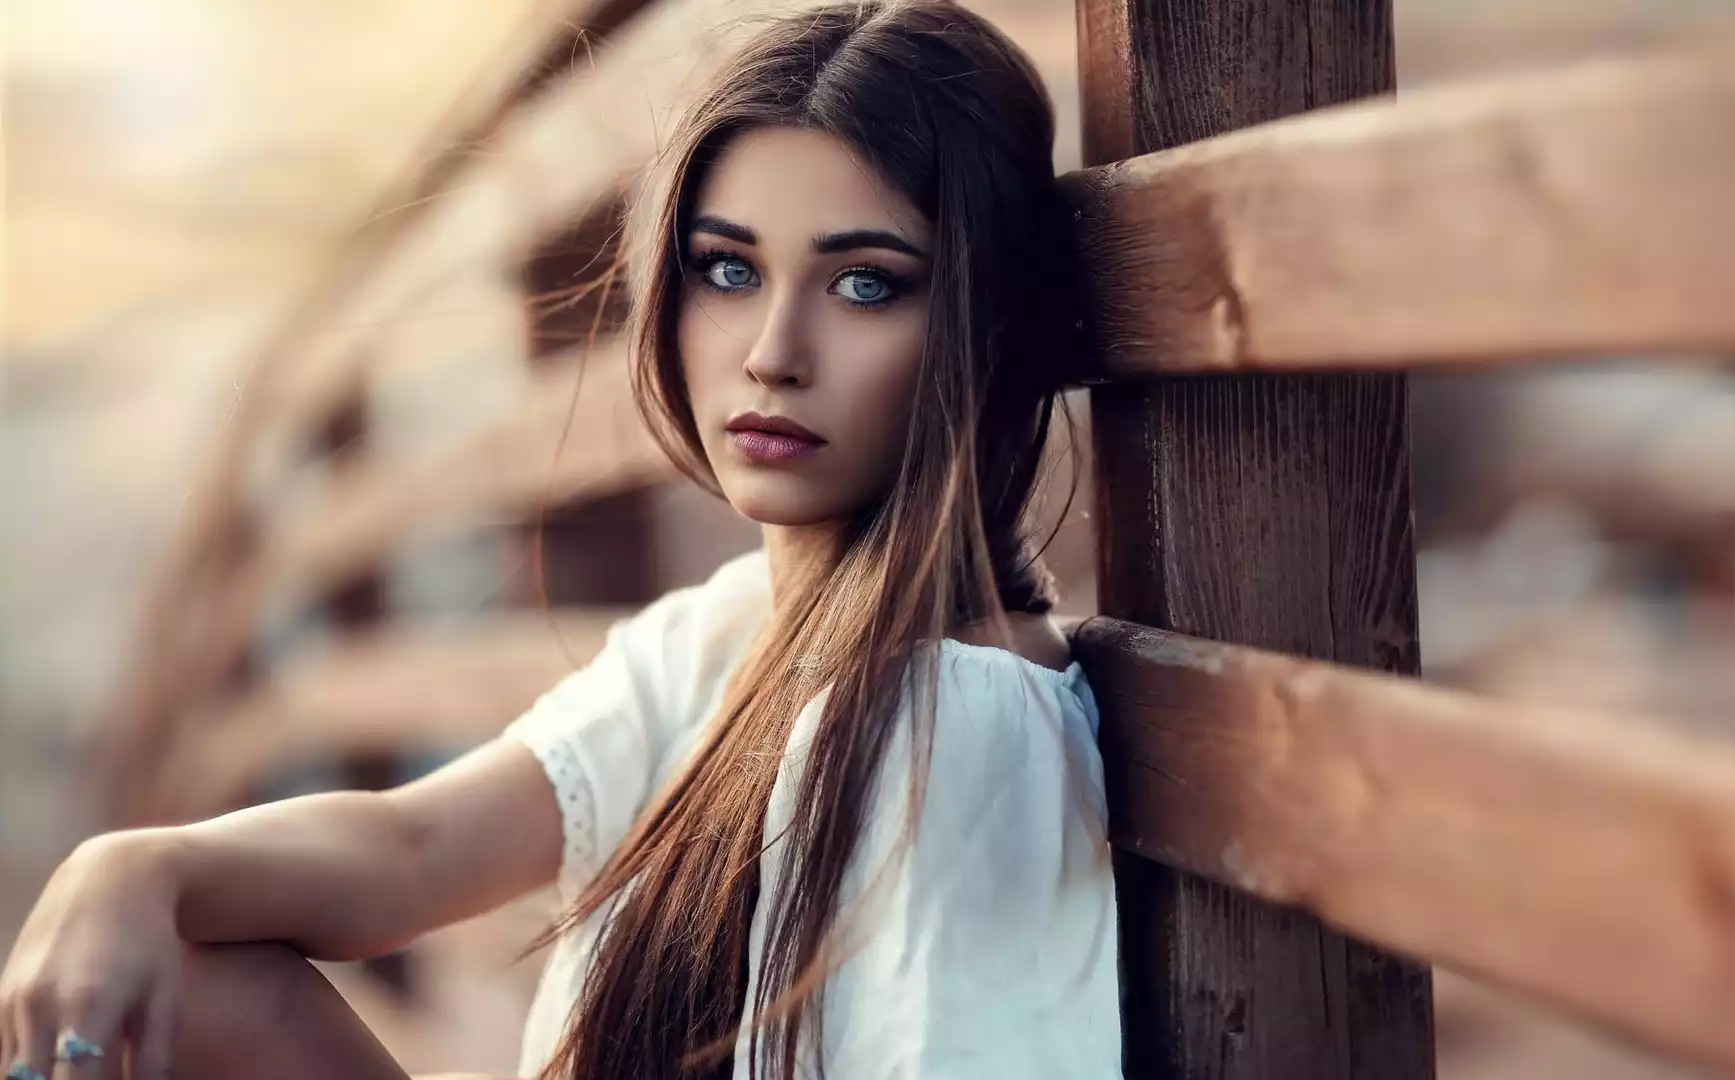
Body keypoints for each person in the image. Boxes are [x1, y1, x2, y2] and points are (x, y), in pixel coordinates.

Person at [0, 2, 1121, 1078]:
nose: (774, 351)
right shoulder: (728, 635)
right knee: (185, 985)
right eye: (727, 269)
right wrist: (131, 867)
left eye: (866, 284)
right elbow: (415, 853)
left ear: (984, 326)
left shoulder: (960, 729)